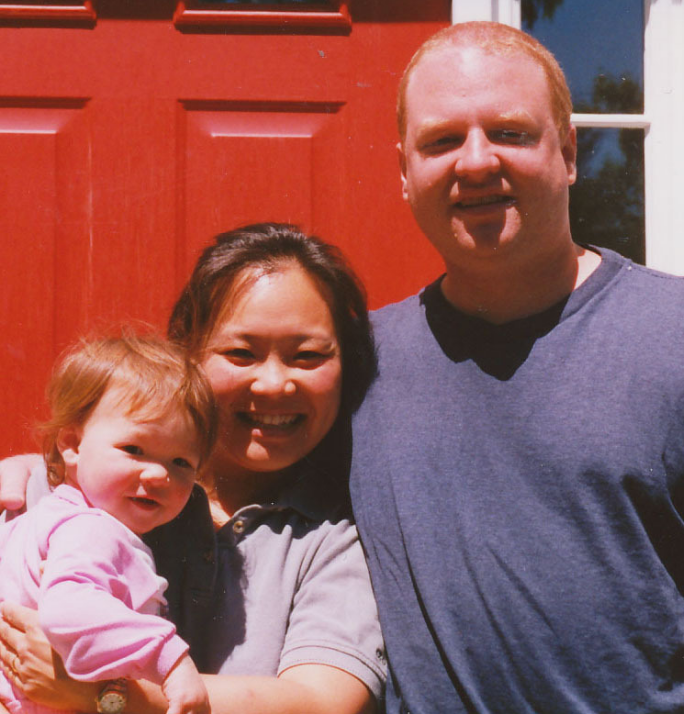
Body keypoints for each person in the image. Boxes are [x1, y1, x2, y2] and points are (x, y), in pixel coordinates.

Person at [349, 21, 684, 714]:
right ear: (404, 174)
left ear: (567, 153)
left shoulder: (672, 334)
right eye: (441, 140)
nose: (475, 162)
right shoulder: (352, 368)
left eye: (509, 132)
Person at [0, 224, 384, 714]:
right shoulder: (44, 491)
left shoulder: (338, 540)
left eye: (307, 356)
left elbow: (321, 703)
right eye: (241, 353)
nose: (273, 384)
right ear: (188, 353)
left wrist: (109, 696)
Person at [0, 334, 217, 714]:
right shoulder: (90, 528)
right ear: (72, 443)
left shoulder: (43, 520)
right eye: (133, 449)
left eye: (181, 462)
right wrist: (170, 659)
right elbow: (70, 610)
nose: (157, 474)